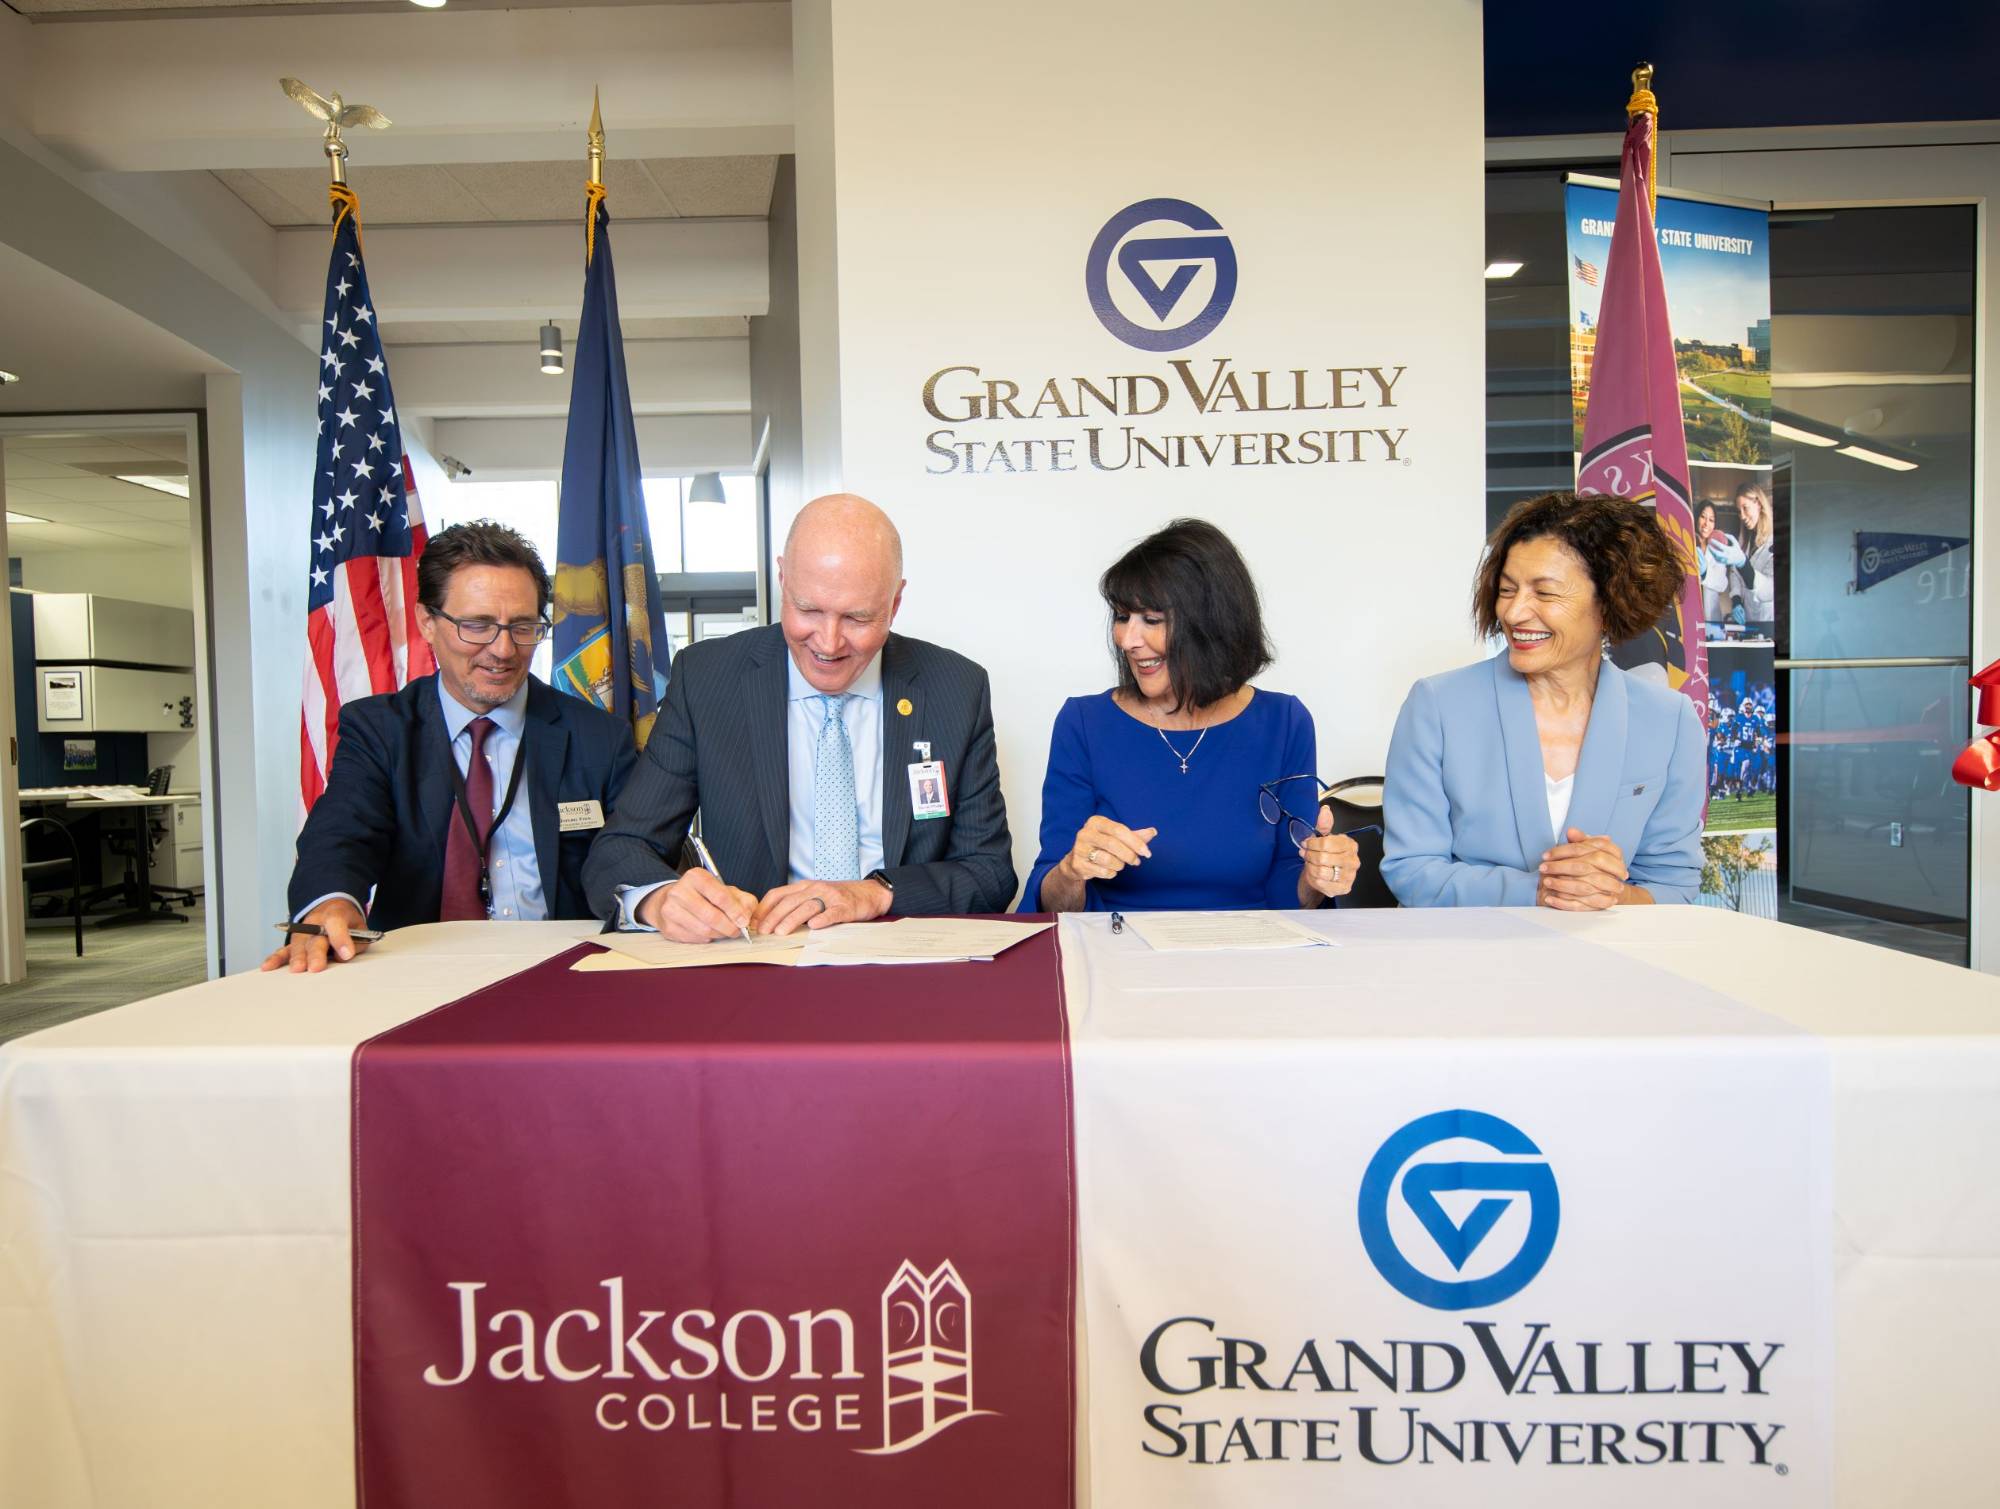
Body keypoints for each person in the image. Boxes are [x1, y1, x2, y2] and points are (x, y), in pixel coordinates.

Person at [583, 493, 1013, 940]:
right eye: (808, 610)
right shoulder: (708, 680)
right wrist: (658, 899)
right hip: (758, 961)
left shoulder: (955, 689)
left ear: (895, 603)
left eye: (857, 618)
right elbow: (619, 849)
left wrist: (875, 894)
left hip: (902, 963)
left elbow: (990, 874)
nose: (828, 643)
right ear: (783, 578)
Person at [267, 521, 638, 971]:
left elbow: (630, 853)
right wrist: (331, 903)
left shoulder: (600, 737)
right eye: (477, 626)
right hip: (418, 975)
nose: (502, 650)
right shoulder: (379, 730)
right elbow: (341, 832)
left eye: (522, 626)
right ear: (427, 621)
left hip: (563, 974)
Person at [1381, 490, 1705, 908]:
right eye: (1507, 590)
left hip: (1613, 964)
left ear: (1610, 601)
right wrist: (1542, 889)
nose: (1514, 614)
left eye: (1545, 593)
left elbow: (1674, 885)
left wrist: (1613, 894)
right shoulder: (1437, 705)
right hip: (1473, 960)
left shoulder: (1670, 720)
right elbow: (1412, 871)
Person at [1020, 518, 1357, 913]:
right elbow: (1051, 902)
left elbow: (1289, 892)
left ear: (1210, 623)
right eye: (1122, 617)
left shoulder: (1284, 722)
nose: (1128, 640)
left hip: (1250, 955)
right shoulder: (1083, 722)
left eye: (1151, 620)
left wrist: (1318, 876)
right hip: (1119, 954)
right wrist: (1072, 870)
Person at [1728, 480, 1775, 625]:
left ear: (1758, 504)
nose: (1742, 516)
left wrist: (1744, 564)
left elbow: (1769, 589)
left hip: (1766, 620)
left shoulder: (1773, 540)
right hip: (1748, 618)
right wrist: (1736, 601)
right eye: (1739, 510)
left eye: (1745, 508)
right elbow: (1734, 573)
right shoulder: (1746, 539)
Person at [1695, 501, 1745, 622]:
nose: (1706, 523)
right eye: (1703, 517)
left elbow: (1722, 584)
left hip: (1711, 615)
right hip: (1690, 613)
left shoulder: (1716, 548)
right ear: (1696, 517)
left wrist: (1705, 573)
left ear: (1715, 524)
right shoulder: (1686, 542)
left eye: (1711, 520)